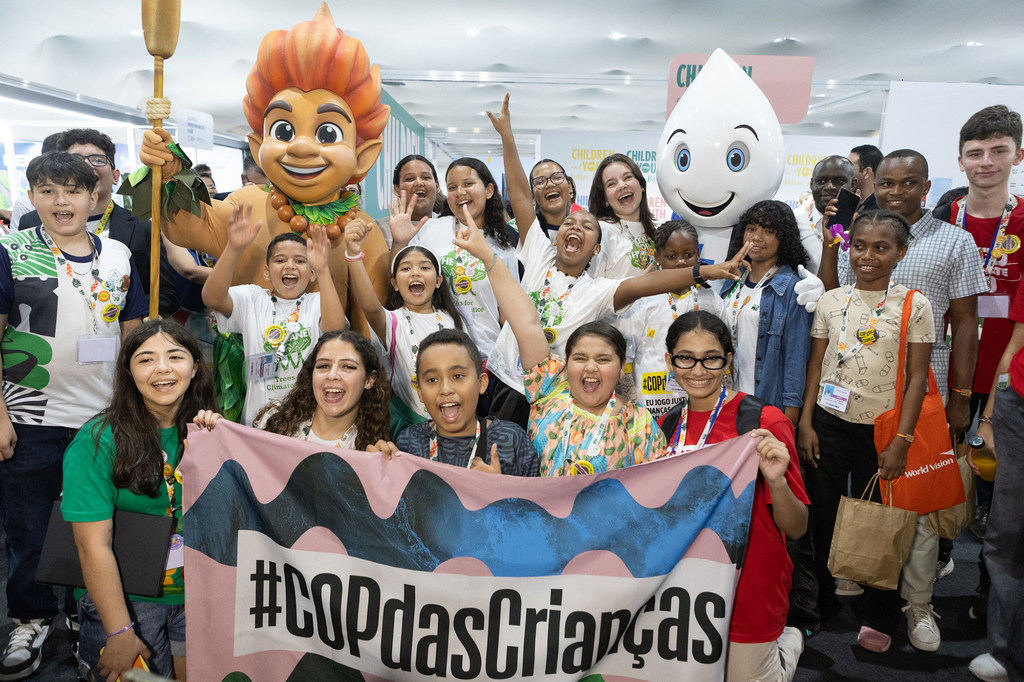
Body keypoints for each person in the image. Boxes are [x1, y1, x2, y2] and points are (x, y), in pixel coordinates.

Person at [484, 93, 748, 427]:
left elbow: (649, 283)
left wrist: (707, 270)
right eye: (570, 223)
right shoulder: (538, 252)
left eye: (587, 227)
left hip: (557, 395)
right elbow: (521, 196)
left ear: (597, 248)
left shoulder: (598, 291)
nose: (576, 227)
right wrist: (507, 135)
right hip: (509, 383)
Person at [819, 150, 988, 650]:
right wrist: (833, 241)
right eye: (887, 183)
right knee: (865, 501)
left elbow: (966, 327)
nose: (896, 191)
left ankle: (913, 606)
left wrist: (961, 397)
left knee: (913, 512)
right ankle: (855, 584)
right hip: (855, 398)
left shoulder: (954, 242)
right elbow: (836, 303)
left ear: (926, 186)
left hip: (923, 398)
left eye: (908, 182)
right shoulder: (859, 231)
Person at [451, 204, 745, 476]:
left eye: (604, 359)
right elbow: (525, 323)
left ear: (621, 366)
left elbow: (656, 488)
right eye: (579, 358)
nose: (591, 367)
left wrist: (704, 271)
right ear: (565, 363)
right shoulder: (549, 394)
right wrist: (487, 256)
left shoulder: (639, 425)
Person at [0, 152, 147, 680]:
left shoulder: (119, 255)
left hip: (104, 416)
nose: (61, 202)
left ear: (94, 196)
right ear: (33, 196)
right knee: (30, 525)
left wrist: (140, 411)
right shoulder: (11, 252)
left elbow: (133, 334)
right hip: (31, 412)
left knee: (102, 525)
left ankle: (95, 617)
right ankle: (32, 618)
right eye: (47, 191)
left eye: (72, 191)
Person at [800, 211, 935, 654]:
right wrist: (805, 422)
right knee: (821, 515)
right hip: (828, 424)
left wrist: (903, 441)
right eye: (860, 246)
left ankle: (879, 611)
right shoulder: (831, 301)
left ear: (901, 252)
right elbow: (816, 366)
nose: (868, 256)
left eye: (881, 247)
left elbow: (917, 378)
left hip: (884, 432)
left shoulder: (914, 305)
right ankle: (816, 601)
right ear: (848, 246)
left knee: (882, 521)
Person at [659, 311, 809, 682]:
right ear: (669, 361)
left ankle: (787, 646)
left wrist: (776, 481)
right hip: (685, 583)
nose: (698, 370)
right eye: (685, 358)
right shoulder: (666, 424)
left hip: (750, 584)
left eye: (711, 358)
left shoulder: (763, 421)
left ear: (727, 360)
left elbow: (798, 527)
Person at [62, 320, 214, 681]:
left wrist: (216, 447)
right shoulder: (97, 441)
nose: (162, 368)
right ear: (129, 372)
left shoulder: (208, 431)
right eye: (146, 360)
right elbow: (91, 547)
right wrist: (118, 631)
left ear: (194, 367)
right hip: (128, 600)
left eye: (175, 356)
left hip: (196, 596)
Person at [933, 105, 1024, 546]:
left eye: (998, 150)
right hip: (944, 368)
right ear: (961, 160)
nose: (986, 161)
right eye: (975, 152)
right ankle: (937, 560)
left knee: (1000, 495)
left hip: (1008, 377)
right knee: (937, 477)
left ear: (1017, 156)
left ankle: (990, 593)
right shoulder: (941, 222)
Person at [201, 204, 345, 426]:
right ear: (267, 272)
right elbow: (212, 298)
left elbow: (335, 330)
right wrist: (233, 248)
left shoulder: (316, 302)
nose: (290, 266)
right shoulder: (253, 298)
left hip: (308, 423)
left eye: (300, 261)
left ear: (312, 272)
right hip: (257, 422)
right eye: (280, 260)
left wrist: (324, 269)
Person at [19, 128, 180, 315]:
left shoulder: (141, 227)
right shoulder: (31, 223)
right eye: (77, 160)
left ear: (115, 176)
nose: (87, 167)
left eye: (98, 160)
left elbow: (167, 296)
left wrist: (113, 315)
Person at [388, 157, 518, 366]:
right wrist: (400, 242)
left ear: (489, 190)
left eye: (468, 184)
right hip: (437, 352)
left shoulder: (504, 244)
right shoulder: (431, 230)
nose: (460, 192)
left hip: (490, 357)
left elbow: (509, 313)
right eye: (452, 187)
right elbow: (399, 282)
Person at [344, 219, 463, 431]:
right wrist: (353, 254)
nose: (415, 273)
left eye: (425, 267)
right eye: (406, 268)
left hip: (452, 418)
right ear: (395, 283)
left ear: (438, 281)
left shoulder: (451, 320)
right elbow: (370, 307)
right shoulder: (393, 321)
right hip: (409, 426)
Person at [969, 287, 1024, 682]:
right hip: (1016, 404)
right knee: (1007, 531)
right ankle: (1005, 651)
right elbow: (1015, 343)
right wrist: (987, 419)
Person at [394, 328, 540, 476]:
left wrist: (498, 488)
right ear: (420, 392)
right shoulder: (408, 443)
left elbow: (538, 497)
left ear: (481, 383)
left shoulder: (511, 440)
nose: (445, 389)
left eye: (457, 376)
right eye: (432, 380)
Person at [617, 220, 726, 418]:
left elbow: (725, 353)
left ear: (698, 255)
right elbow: (627, 356)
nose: (681, 262)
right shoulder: (642, 300)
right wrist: (632, 404)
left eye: (689, 254)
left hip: (700, 400)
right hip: (652, 403)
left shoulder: (710, 300)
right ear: (658, 257)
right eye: (672, 256)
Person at [722, 200, 813, 423]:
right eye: (751, 229)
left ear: (784, 238)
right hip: (727, 400)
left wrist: (790, 418)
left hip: (765, 402)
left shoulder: (792, 289)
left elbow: (796, 358)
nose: (756, 237)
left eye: (769, 231)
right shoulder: (732, 280)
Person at [242, 330, 393, 450]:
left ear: (369, 380)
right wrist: (219, 430)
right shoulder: (273, 421)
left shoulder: (370, 450)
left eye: (347, 367)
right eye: (323, 366)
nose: (332, 375)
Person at [587, 153, 658, 278]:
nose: (622, 185)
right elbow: (592, 289)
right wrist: (637, 287)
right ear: (605, 200)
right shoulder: (602, 231)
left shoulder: (657, 231)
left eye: (627, 177)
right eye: (611, 184)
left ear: (641, 185)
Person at [798, 155, 856, 274]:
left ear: (853, 184)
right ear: (811, 184)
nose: (829, 187)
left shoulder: (863, 227)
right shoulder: (795, 225)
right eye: (821, 181)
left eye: (839, 181)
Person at [374, 155, 441, 249]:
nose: (419, 182)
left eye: (425, 177)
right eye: (409, 179)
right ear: (397, 189)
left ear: (437, 186)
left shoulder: (449, 225)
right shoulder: (378, 229)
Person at [848, 144, 882, 212]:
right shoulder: (849, 205)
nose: (844, 173)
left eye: (849, 168)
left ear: (867, 172)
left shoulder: (881, 208)